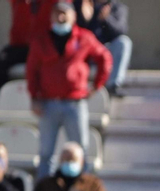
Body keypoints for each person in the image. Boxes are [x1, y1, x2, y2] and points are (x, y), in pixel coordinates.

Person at [28, 0, 111, 178]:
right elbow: (32, 70)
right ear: (51, 16)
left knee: (81, 151)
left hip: (74, 103)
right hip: (48, 103)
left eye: (64, 13)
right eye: (57, 13)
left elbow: (104, 58)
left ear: (73, 16)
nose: (61, 17)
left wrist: (97, 85)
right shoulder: (42, 39)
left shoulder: (84, 37)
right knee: (46, 154)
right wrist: (34, 96)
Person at [78, 0, 130, 97]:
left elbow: (121, 30)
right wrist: (84, 18)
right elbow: (74, 31)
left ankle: (113, 86)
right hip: (87, 51)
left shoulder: (117, 7)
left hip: (107, 50)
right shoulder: (83, 4)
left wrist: (106, 19)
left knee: (124, 42)